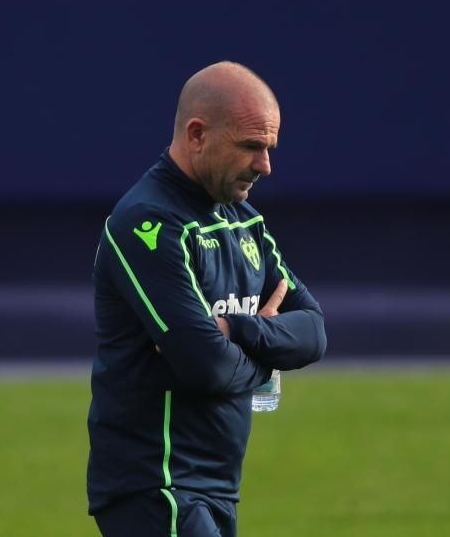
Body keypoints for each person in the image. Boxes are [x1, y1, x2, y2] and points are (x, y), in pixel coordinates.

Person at [87, 61, 326, 536]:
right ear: (197, 134)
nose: (265, 165)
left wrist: (239, 330)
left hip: (216, 486)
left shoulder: (243, 222)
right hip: (157, 484)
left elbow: (314, 331)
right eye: (251, 146)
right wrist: (266, 360)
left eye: (269, 148)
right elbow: (208, 366)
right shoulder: (147, 223)